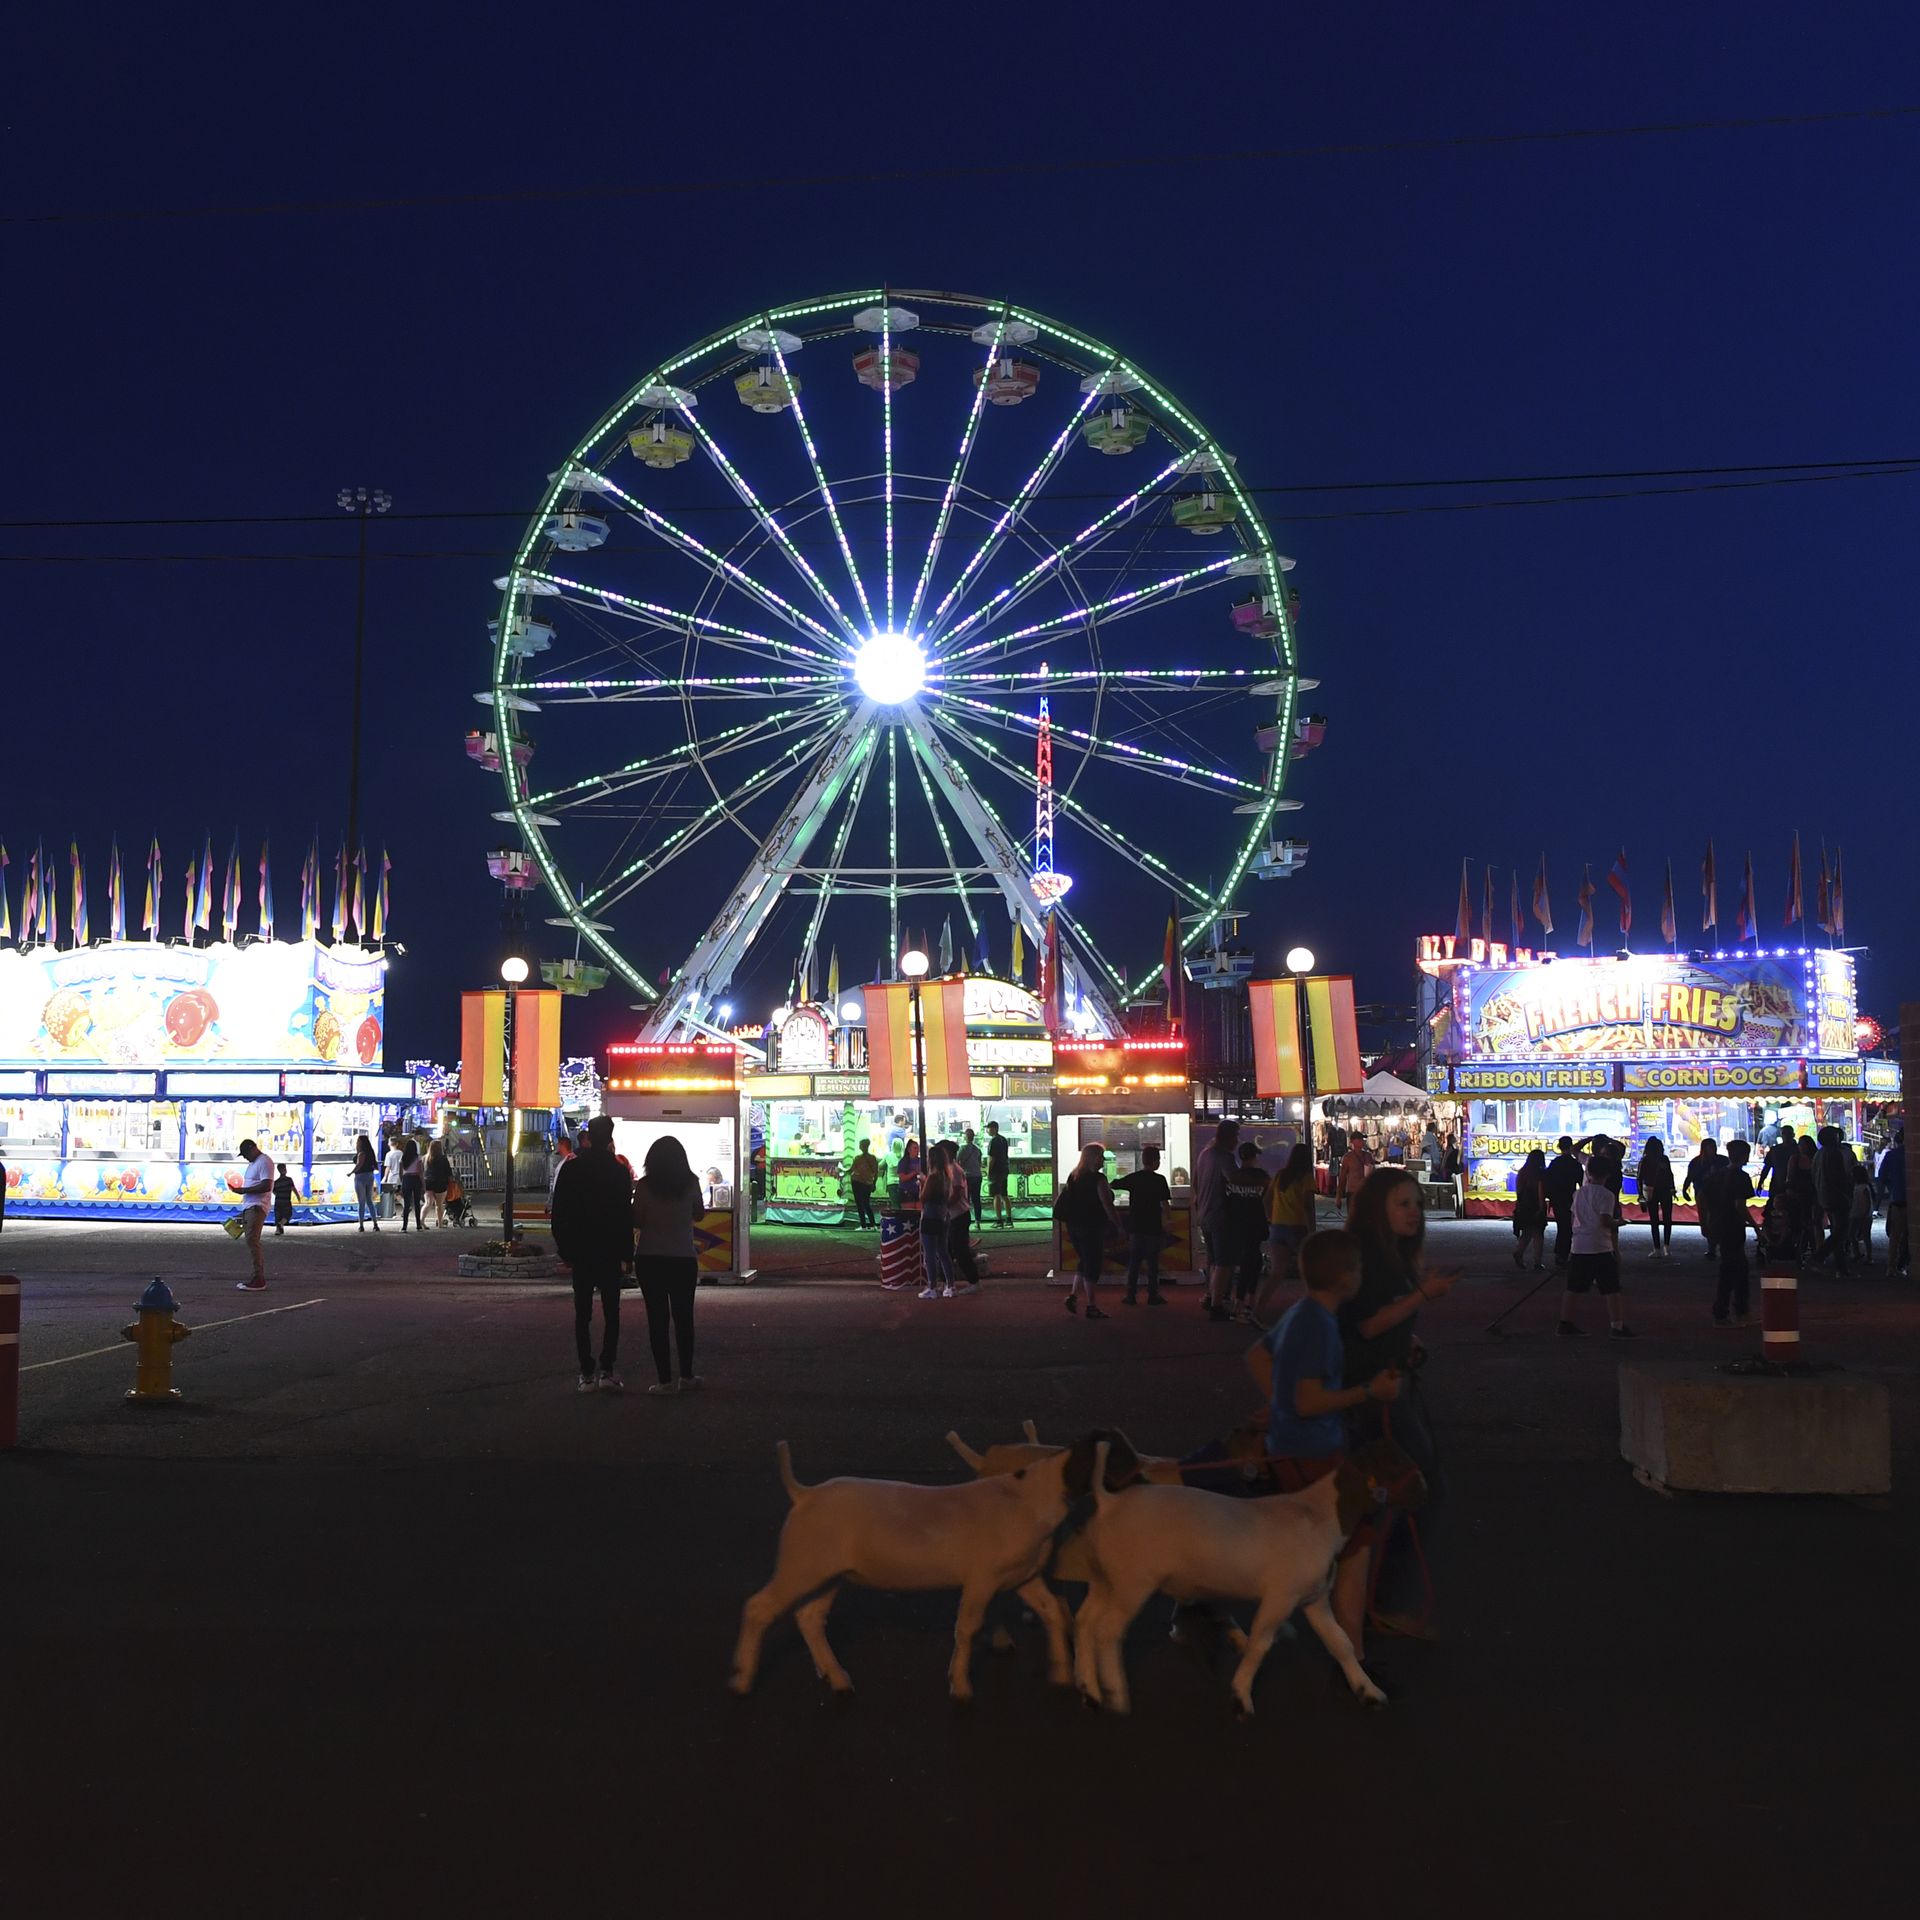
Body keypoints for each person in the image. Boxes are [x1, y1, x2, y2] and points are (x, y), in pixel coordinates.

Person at [1245, 1227, 1402, 1654]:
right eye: (1359, 1269)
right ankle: (1352, 1657)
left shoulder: (1302, 1311)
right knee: (1354, 1550)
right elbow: (1310, 1400)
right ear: (1346, 1277)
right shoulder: (1319, 1325)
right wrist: (1371, 1392)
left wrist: (1279, 1404)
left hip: (1290, 1447)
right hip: (1313, 1453)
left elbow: (1257, 1355)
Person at [1342, 1168, 1458, 1638]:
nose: (1414, 1212)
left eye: (1417, 1203)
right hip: (1371, 1391)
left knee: (1375, 1491)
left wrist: (1405, 1341)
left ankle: (1360, 1595)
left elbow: (1379, 1326)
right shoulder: (1372, 1258)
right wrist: (1422, 1296)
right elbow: (1367, 1324)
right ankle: (1378, 1599)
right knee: (1421, 1486)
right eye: (1403, 1203)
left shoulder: (1390, 1256)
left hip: (1383, 1382)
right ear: (1378, 1209)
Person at [550, 1114, 634, 1392]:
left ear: (587, 1137)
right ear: (610, 1138)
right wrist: (627, 1254)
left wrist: (565, 1248)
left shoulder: (573, 1169)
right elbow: (625, 1215)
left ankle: (586, 1371)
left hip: (582, 1250)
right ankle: (606, 1368)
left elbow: (560, 1212)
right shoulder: (619, 1171)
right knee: (612, 1312)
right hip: (609, 1250)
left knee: (582, 1313)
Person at [630, 1132, 708, 1393]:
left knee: (657, 1319)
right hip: (683, 1258)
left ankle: (664, 1380)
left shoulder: (644, 1185)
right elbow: (699, 1213)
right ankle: (687, 1376)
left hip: (650, 1258)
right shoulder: (691, 1183)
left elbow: (637, 1219)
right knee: (684, 1318)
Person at [1560, 1151, 1634, 1338]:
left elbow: (1572, 1217)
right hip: (1600, 1246)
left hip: (1579, 1245)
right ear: (1607, 1175)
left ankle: (1565, 1323)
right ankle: (1617, 1326)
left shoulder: (1578, 1193)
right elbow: (1604, 1220)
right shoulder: (1607, 1195)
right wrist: (1620, 1222)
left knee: (1573, 1288)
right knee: (1612, 1289)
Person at [1055, 1140, 1121, 1319]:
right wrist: (1117, 1224)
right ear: (1093, 1158)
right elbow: (1107, 1204)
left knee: (1084, 1261)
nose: (1103, 1160)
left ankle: (1073, 1295)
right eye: (1101, 1157)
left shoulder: (1074, 1176)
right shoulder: (1098, 1179)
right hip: (1092, 1227)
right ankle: (1092, 1306)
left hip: (1074, 1226)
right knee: (1092, 1265)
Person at [1191, 1118, 1241, 1322]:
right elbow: (1234, 1179)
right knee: (1224, 1262)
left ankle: (1211, 1296)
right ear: (1228, 1136)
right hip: (1221, 1215)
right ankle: (1217, 1304)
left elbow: (1195, 1182)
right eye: (1236, 1136)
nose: (1237, 1141)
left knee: (1212, 1260)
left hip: (1205, 1214)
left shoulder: (1204, 1154)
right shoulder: (1224, 1157)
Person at [1113, 1143, 1170, 1306]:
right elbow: (1165, 1203)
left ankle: (1131, 1295)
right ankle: (1153, 1295)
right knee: (1153, 1263)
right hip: (1153, 1226)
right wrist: (1168, 1220)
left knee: (1134, 1262)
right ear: (1155, 1161)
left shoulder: (1135, 1177)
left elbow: (1114, 1184)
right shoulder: (1160, 1180)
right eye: (1158, 1160)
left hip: (1136, 1226)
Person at [1712, 1139, 1756, 1326]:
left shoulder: (1719, 1174)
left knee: (1732, 1268)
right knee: (1735, 1269)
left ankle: (1733, 1310)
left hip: (1721, 1225)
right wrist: (1755, 1225)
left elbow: (1703, 1197)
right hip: (1734, 1227)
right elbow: (1740, 1205)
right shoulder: (1741, 1177)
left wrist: (1706, 1223)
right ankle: (1730, 1312)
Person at [1224, 1142, 1270, 1319]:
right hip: (1256, 1223)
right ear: (1253, 1157)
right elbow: (1268, 1199)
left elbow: (1228, 1200)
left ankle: (1243, 1300)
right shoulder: (1262, 1177)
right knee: (1253, 1260)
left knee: (1247, 1260)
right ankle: (1245, 1300)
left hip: (1237, 1224)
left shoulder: (1233, 1177)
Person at [1263, 1143, 1316, 1291]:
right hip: (1297, 1226)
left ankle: (1257, 1308)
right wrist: (1311, 1229)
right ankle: (1310, 1306)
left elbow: (1266, 1199)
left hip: (1277, 1226)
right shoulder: (1306, 1178)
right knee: (1308, 1270)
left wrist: (1271, 1218)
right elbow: (1307, 1205)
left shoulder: (1281, 1175)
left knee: (1276, 1273)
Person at [232, 1137, 274, 1290]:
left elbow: (266, 1186)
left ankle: (258, 1277)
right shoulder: (254, 1164)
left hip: (257, 1206)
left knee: (252, 1240)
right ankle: (256, 1275)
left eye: (245, 1154)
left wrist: (243, 1190)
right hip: (249, 1206)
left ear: (252, 1148)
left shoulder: (264, 1162)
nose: (245, 1157)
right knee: (245, 1236)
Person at [1814, 1127, 1855, 1274]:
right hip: (1837, 1196)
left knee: (1837, 1231)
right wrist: (1846, 1193)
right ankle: (1819, 1256)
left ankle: (1841, 1267)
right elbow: (1839, 1177)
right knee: (1841, 1231)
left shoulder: (1819, 1153)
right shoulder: (1834, 1153)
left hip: (1824, 1196)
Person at [918, 1143, 956, 1300]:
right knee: (943, 1252)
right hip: (943, 1215)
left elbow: (923, 1197)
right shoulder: (946, 1176)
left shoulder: (933, 1177)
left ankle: (932, 1286)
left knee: (930, 1254)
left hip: (930, 1216)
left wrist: (922, 1182)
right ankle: (950, 1285)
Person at [1542, 1136, 1583, 1271]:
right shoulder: (1575, 1164)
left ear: (1559, 1147)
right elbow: (1581, 1184)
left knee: (1562, 1227)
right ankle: (1567, 1254)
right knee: (1569, 1228)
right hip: (1570, 1199)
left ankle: (1561, 1254)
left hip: (1557, 1200)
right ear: (1571, 1147)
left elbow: (1546, 1182)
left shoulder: (1555, 1163)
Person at [1681, 1136, 1722, 1259]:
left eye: (1714, 1147)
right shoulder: (1696, 1162)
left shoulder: (1721, 1160)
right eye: (1711, 1147)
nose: (1714, 1149)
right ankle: (1712, 1246)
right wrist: (1684, 1190)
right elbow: (1690, 1177)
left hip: (1719, 1194)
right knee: (1706, 1221)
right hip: (1702, 1194)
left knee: (1716, 1220)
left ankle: (1713, 1248)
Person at [1636, 1138, 1676, 1258]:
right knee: (1667, 1219)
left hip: (1650, 1191)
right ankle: (1666, 1247)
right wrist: (1672, 1188)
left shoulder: (1645, 1160)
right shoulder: (1664, 1159)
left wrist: (1640, 1195)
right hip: (1665, 1191)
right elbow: (1670, 1174)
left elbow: (1639, 1178)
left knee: (1654, 1221)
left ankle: (1657, 1248)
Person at [1511, 1147, 1549, 1270]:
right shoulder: (1539, 1174)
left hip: (1523, 1206)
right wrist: (1542, 1207)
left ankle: (1519, 1251)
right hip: (1535, 1206)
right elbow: (1540, 1192)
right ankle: (1537, 1262)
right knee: (1538, 1235)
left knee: (1527, 1232)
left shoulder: (1522, 1172)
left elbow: (1519, 1191)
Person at [1877, 1129, 1907, 1277]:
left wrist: (1891, 1186)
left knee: (1895, 1235)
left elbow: (1881, 1177)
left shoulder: (1891, 1155)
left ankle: (1891, 1266)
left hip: (1898, 1198)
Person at [1336, 1134, 1374, 1216]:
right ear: (1353, 1142)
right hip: (1353, 1191)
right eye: (1359, 1139)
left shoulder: (1368, 1156)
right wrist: (1338, 1196)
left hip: (1366, 1192)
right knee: (1353, 1218)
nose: (1362, 1141)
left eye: (1362, 1139)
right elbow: (1342, 1178)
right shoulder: (1347, 1157)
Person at [1757, 1123, 1797, 1198]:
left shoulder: (1775, 1150)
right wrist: (1761, 1182)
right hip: (1789, 1185)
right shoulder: (1798, 1149)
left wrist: (1761, 1182)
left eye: (1787, 1133)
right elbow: (1766, 1167)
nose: (1786, 1136)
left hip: (1780, 1183)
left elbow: (1767, 1167)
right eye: (1784, 1133)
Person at [848, 1138, 879, 1229]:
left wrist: (842, 1169)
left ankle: (863, 1225)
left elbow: (850, 1170)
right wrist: (874, 1183)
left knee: (859, 1204)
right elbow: (876, 1172)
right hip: (868, 1183)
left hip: (857, 1182)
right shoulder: (873, 1158)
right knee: (866, 1204)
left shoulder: (858, 1158)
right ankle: (873, 1224)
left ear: (861, 1146)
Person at [985, 1120, 1011, 1227]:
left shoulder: (993, 1141)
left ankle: (999, 1220)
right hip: (1004, 1170)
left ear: (995, 1128)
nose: (988, 1130)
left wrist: (988, 1171)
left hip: (996, 1172)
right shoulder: (1004, 1139)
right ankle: (1009, 1220)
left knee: (996, 1195)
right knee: (1004, 1195)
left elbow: (992, 1158)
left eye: (989, 1128)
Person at [958, 1127, 984, 1230]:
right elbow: (979, 1162)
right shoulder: (977, 1149)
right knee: (976, 1199)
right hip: (977, 1176)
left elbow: (957, 1160)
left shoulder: (962, 1148)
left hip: (967, 1176)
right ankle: (978, 1222)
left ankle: (966, 1222)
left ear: (965, 1136)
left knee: (966, 1200)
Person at [352, 1133, 379, 1232]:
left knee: (361, 1202)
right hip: (370, 1175)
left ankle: (361, 1225)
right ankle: (375, 1223)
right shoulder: (371, 1152)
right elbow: (375, 1166)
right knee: (370, 1201)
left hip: (360, 1176)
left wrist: (351, 1172)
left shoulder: (361, 1153)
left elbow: (359, 1164)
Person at [397, 1135, 425, 1231]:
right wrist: (423, 1184)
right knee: (417, 1203)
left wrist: (402, 1182)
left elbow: (400, 1172)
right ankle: (418, 1225)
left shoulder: (403, 1158)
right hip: (416, 1179)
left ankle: (404, 1226)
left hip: (406, 1179)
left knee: (407, 1204)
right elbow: (421, 1172)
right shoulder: (418, 1158)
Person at [423, 1139, 452, 1227]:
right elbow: (448, 1171)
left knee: (427, 1203)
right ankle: (440, 1223)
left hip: (428, 1182)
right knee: (439, 1204)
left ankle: (421, 1220)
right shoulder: (443, 1158)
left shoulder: (425, 1158)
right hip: (440, 1182)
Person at [382, 1131, 406, 1220]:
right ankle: (394, 1211)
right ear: (397, 1144)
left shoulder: (389, 1154)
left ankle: (395, 1210)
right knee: (397, 1193)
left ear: (389, 1144)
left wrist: (385, 1177)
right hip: (400, 1176)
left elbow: (388, 1167)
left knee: (393, 1194)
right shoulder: (401, 1153)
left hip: (392, 1176)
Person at [270, 1163, 296, 1236]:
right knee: (287, 1215)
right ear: (285, 1170)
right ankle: (281, 1224)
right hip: (286, 1201)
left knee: (278, 1215)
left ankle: (278, 1230)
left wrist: (279, 1194)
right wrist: (298, 1197)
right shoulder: (289, 1180)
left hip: (278, 1201)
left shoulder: (276, 1182)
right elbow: (293, 1189)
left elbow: (273, 1191)